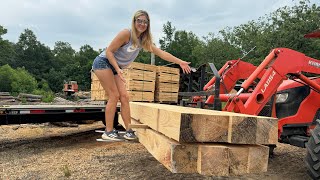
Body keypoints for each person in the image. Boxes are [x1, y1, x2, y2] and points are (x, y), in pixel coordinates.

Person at [92, 10, 191, 141]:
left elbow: (161, 53)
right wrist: (118, 69)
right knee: (114, 95)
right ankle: (108, 131)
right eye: (139, 21)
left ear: (148, 25)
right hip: (103, 62)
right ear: (134, 22)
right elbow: (109, 51)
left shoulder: (143, 40)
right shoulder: (126, 34)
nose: (142, 24)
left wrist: (180, 62)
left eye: (145, 22)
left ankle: (129, 130)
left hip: (115, 67)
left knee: (125, 97)